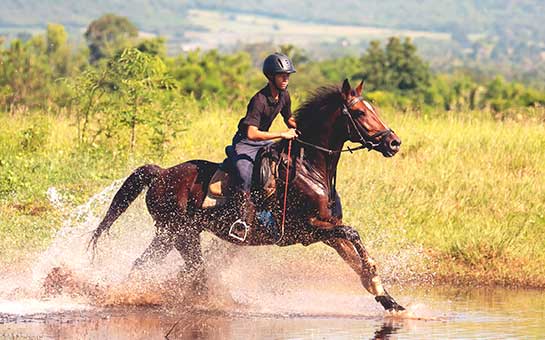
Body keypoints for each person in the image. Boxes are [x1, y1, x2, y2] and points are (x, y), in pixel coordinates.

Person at [228, 52, 299, 241]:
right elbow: (252, 133)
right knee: (244, 175)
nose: (286, 79)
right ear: (270, 77)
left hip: (263, 142)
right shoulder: (258, 100)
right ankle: (241, 222)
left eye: (288, 75)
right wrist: (282, 134)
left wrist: (303, 127)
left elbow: (289, 118)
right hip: (245, 144)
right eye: (282, 75)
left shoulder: (284, 96)